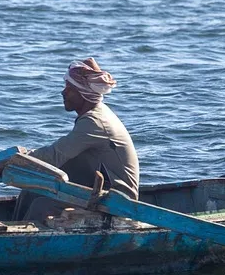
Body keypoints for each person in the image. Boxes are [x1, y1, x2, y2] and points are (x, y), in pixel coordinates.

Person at [17, 57, 140, 221]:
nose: (63, 92)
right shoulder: (94, 115)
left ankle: (22, 243)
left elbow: (53, 156)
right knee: (30, 191)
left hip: (117, 201)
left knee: (42, 206)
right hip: (97, 191)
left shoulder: (94, 123)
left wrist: (13, 161)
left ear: (83, 93)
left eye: (69, 88)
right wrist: (24, 156)